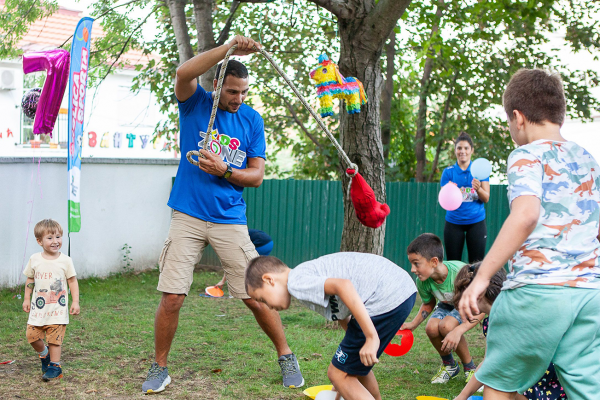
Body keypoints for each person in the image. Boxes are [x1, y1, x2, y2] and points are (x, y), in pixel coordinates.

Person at [143, 36, 304, 393]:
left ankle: (286, 355)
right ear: (217, 86)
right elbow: (184, 72)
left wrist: (225, 171)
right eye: (232, 91)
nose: (238, 99)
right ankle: (159, 367)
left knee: (254, 295)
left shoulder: (251, 121)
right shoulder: (195, 104)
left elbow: (257, 176)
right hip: (187, 213)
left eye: (244, 92)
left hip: (229, 218)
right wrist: (229, 47)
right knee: (172, 296)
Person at [459, 68, 600, 400]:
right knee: (586, 389)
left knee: (498, 384)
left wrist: (482, 279)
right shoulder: (588, 159)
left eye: (509, 122)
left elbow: (526, 215)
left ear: (518, 118)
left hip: (538, 292)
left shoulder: (525, 155)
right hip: (590, 295)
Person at [245, 253, 416, 400]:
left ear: (269, 280)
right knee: (348, 371)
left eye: (262, 299)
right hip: (400, 291)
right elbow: (341, 311)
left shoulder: (296, 282)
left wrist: (371, 337)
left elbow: (343, 286)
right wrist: (345, 376)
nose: (267, 306)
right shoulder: (304, 275)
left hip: (385, 296)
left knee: (336, 373)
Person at [453, 263, 567, 400]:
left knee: (496, 383)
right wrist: (462, 396)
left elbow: (494, 366)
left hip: (548, 383)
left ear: (478, 293)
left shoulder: (512, 314)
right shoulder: (493, 320)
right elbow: (489, 362)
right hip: (529, 380)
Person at [400, 233, 481, 384]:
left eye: (416, 263)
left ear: (434, 261)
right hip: (446, 304)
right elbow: (428, 304)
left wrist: (459, 330)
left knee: (446, 326)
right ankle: (450, 366)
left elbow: (481, 306)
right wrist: (412, 324)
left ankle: (470, 368)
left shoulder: (461, 273)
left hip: (466, 304)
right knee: (431, 328)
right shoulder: (422, 281)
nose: (412, 269)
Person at [22, 219, 80, 381]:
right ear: (39, 241)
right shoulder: (35, 259)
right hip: (38, 310)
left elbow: (72, 281)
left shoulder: (65, 260)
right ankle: (44, 354)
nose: (55, 241)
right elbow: (30, 280)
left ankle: (55, 366)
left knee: (54, 340)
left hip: (57, 309)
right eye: (50, 238)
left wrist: (75, 301)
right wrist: (27, 299)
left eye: (58, 237)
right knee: (31, 336)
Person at [441, 131, 490, 263]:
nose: (463, 151)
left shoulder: (479, 170)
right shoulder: (448, 172)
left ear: (471, 150)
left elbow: (486, 198)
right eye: (459, 148)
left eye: (466, 148)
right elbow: (444, 202)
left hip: (476, 222)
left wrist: (478, 188)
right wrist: (449, 190)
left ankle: (474, 285)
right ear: (455, 150)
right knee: (453, 264)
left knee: (476, 265)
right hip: (453, 223)